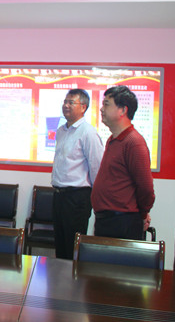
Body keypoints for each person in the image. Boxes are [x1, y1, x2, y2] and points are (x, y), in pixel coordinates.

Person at [91, 85, 155, 240]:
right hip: (106, 220)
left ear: (123, 110)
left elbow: (146, 188)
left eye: (106, 104)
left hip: (122, 222)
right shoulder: (112, 139)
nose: (101, 109)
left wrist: (143, 214)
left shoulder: (134, 142)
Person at [51, 89, 104, 259]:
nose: (66, 105)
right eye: (65, 102)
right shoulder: (61, 131)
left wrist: (96, 199)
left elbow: (97, 168)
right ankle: (60, 276)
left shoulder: (88, 133)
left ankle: (72, 277)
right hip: (59, 195)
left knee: (72, 247)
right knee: (60, 245)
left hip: (77, 198)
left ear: (83, 107)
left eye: (71, 102)